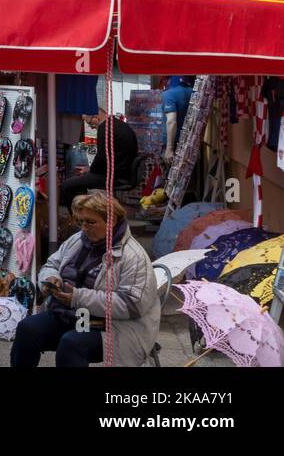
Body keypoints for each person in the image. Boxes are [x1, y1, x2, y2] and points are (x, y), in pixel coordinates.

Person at [10, 190, 159, 367]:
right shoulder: (78, 240)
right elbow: (51, 264)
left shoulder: (133, 256)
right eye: (81, 222)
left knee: (72, 344)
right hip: (74, 317)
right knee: (27, 329)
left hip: (114, 328)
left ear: (111, 221)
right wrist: (50, 278)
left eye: (91, 222)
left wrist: (77, 297)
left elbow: (132, 305)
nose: (84, 228)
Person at [62, 112, 139, 205]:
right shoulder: (119, 124)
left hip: (114, 176)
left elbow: (101, 159)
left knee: (67, 186)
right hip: (123, 172)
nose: (91, 127)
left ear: (96, 117)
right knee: (80, 181)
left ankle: (79, 216)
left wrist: (89, 171)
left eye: (90, 123)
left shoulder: (105, 129)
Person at [161, 75, 194, 165]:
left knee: (170, 177)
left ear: (168, 79)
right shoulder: (193, 93)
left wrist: (169, 148)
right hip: (190, 144)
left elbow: (171, 121)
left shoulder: (169, 94)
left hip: (174, 145)